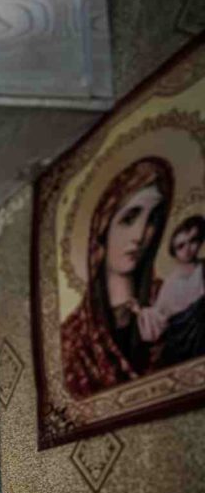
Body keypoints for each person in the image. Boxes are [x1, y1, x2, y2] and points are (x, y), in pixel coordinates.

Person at [60, 157, 173, 397]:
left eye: (152, 220)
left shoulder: (168, 299)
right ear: (103, 227)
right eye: (129, 218)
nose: (140, 235)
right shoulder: (75, 336)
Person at [136, 214, 205, 367]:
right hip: (182, 342)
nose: (187, 249)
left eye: (193, 241)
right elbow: (160, 316)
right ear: (174, 251)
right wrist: (139, 311)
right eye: (181, 246)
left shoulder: (203, 268)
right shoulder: (171, 282)